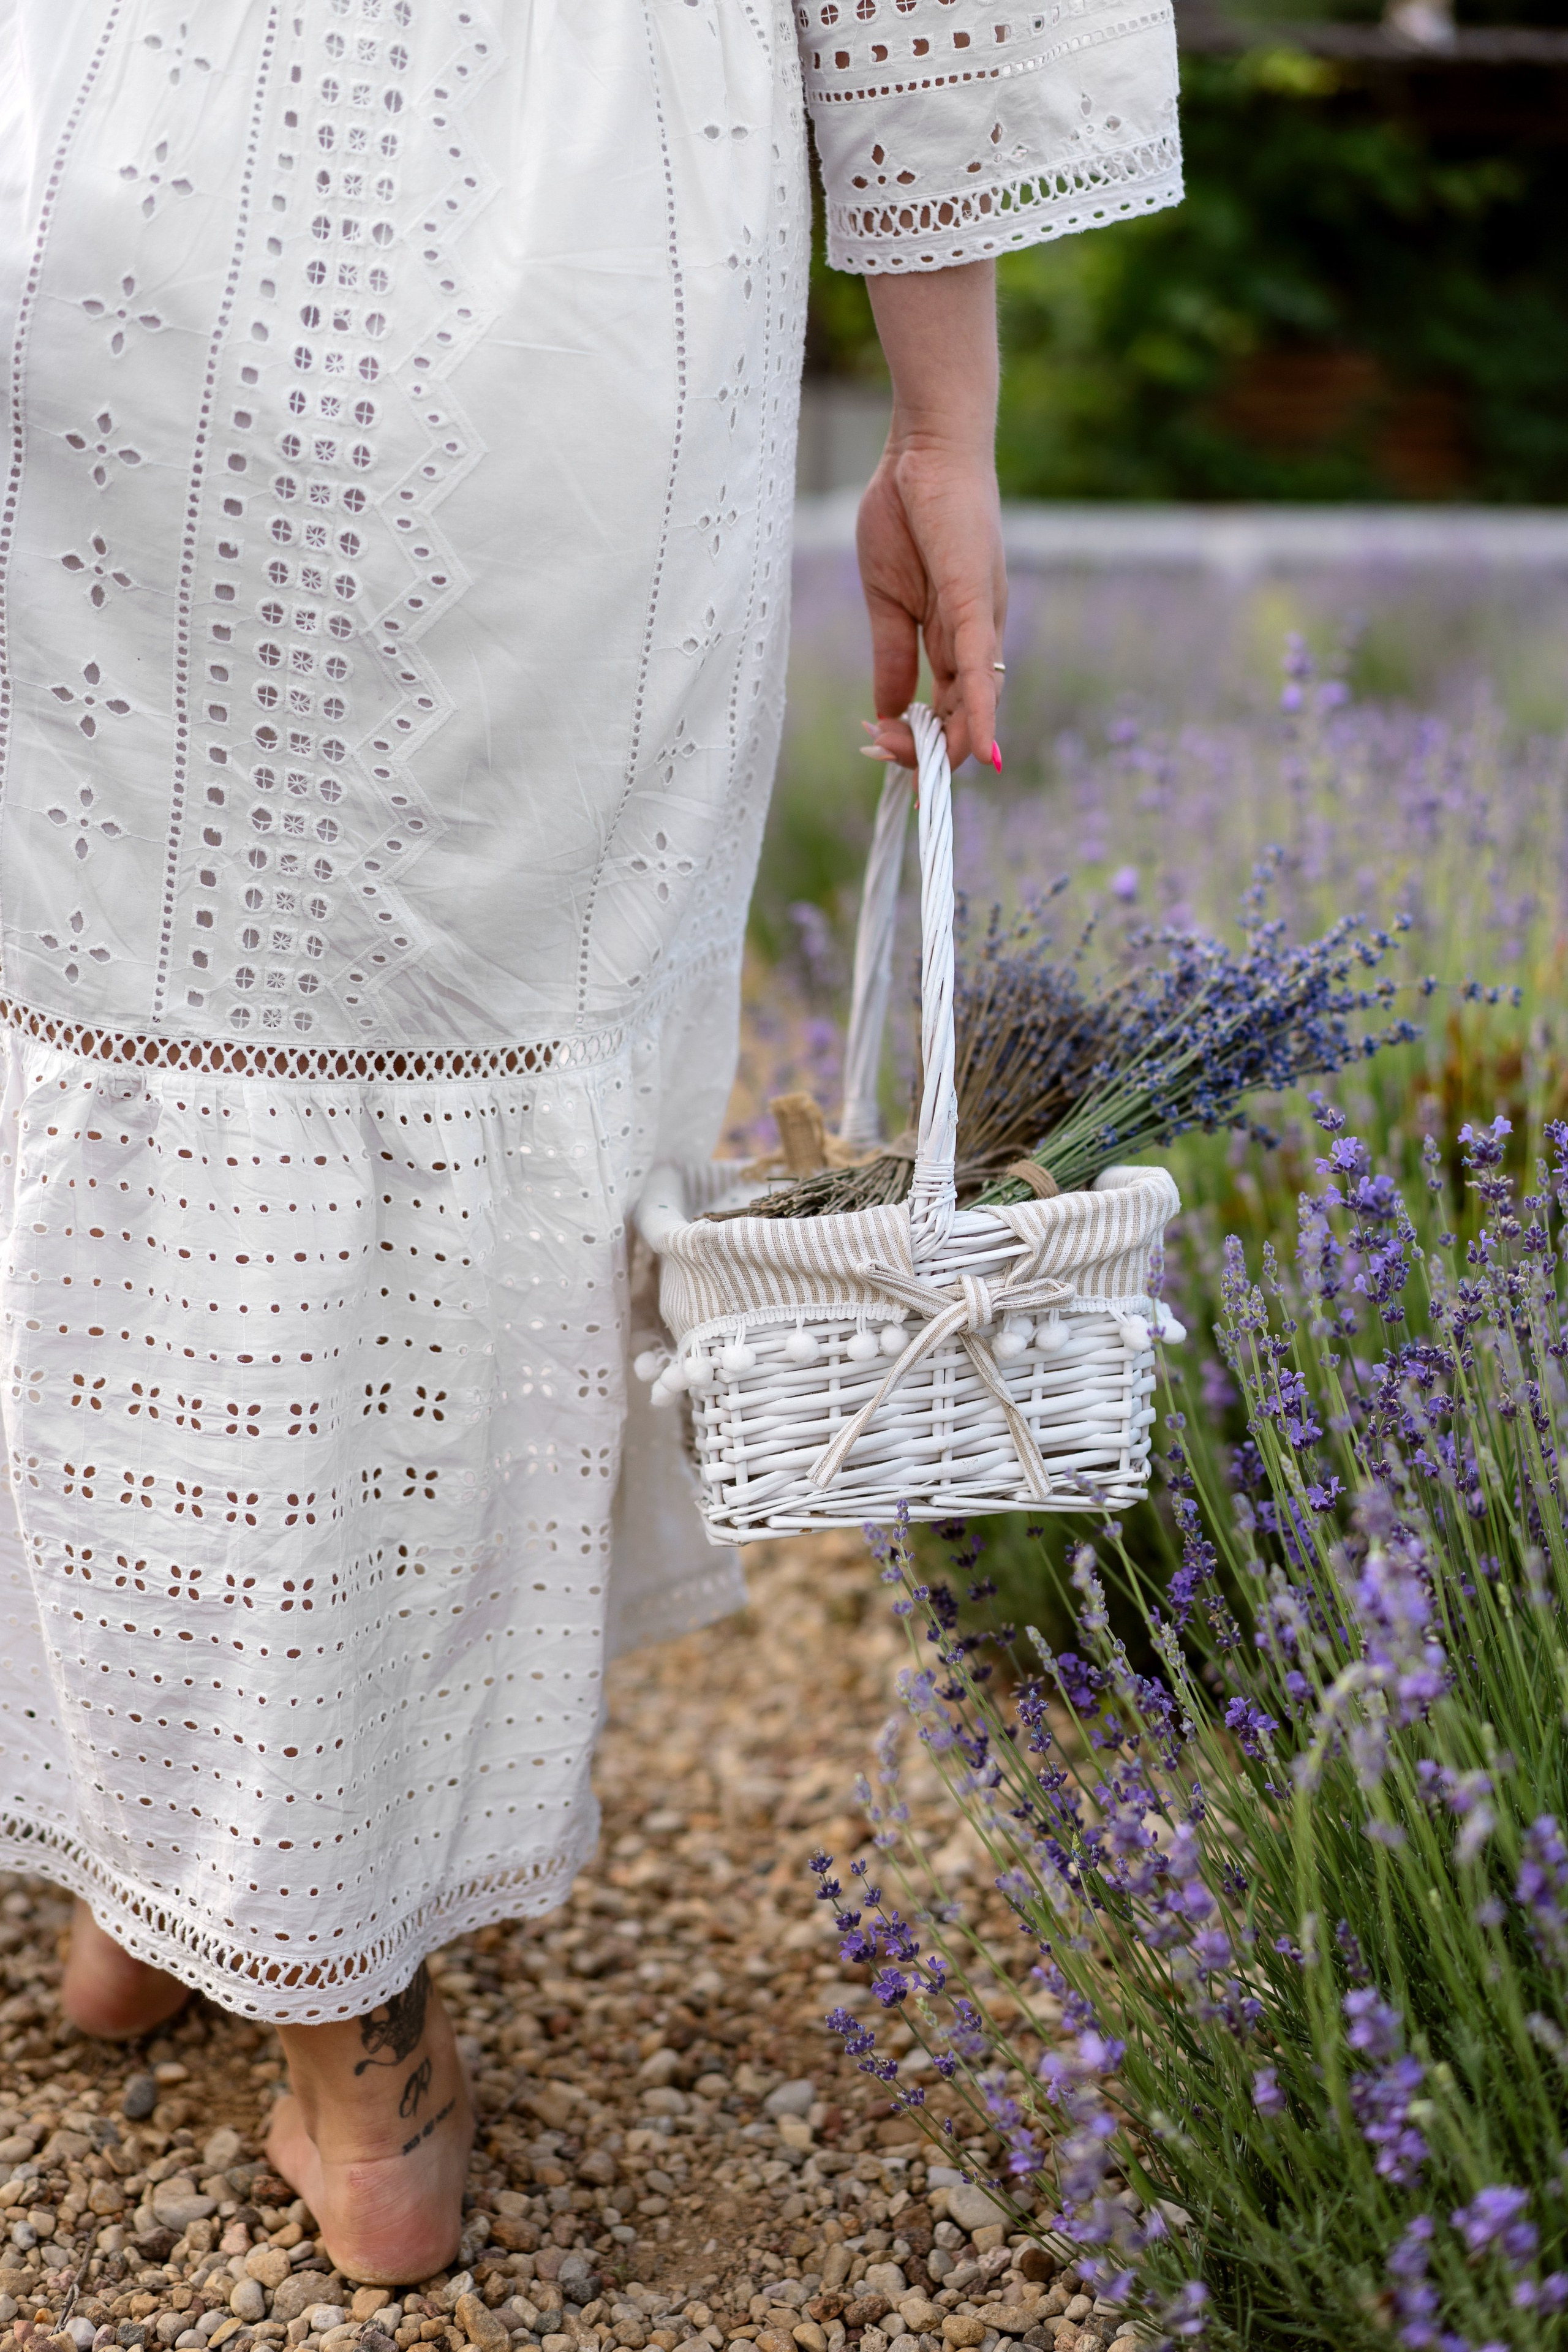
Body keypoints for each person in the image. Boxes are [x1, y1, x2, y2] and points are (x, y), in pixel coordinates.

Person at [0, 0, 1180, 2285]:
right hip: (549, 258)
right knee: (418, 1051)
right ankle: (336, 2000)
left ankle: (192, 1859)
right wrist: (946, 420)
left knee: (127, 1024)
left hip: (98, 172)